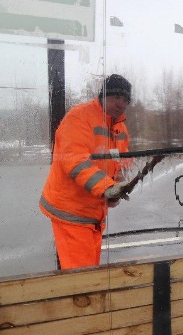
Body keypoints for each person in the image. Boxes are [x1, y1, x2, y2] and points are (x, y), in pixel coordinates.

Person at [39, 74, 132, 270]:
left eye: (125, 100)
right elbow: (74, 161)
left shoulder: (120, 127)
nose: (120, 103)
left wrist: (119, 186)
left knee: (90, 272)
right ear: (103, 95)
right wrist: (107, 188)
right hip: (71, 212)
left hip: (94, 215)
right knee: (82, 280)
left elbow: (120, 161)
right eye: (116, 97)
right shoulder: (79, 117)